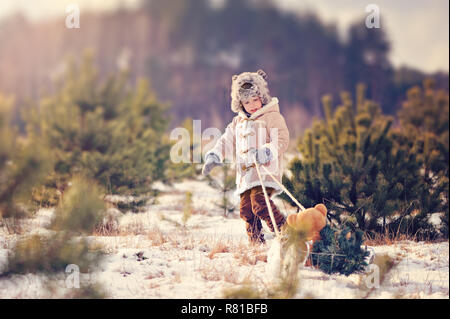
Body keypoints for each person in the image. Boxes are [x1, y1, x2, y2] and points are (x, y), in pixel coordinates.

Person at [202, 69, 290, 244]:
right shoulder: (238, 122)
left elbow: (282, 138)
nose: (252, 105)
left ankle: (285, 232)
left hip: (265, 172)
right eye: (246, 101)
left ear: (262, 97)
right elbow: (226, 140)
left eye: (255, 99)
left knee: (260, 203)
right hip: (245, 177)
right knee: (246, 211)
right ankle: (256, 242)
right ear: (240, 103)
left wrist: (267, 151)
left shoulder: (272, 117)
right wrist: (214, 155)